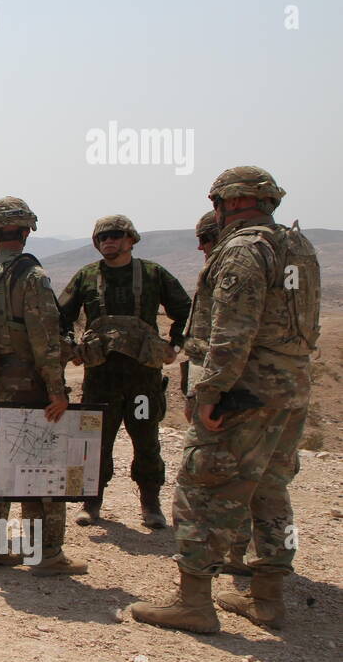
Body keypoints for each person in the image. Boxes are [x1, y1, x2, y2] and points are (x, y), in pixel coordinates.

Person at [132, 167, 319, 633]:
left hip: (244, 393)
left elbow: (232, 333)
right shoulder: (298, 246)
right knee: (270, 489)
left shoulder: (242, 250)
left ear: (227, 202)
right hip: (290, 391)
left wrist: (210, 391)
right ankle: (268, 599)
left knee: (201, 488)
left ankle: (194, 602)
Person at [0, 197, 87, 575]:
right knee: (40, 465)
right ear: (27, 231)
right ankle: (45, 555)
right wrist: (57, 391)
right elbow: (44, 340)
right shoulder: (31, 276)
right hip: (26, 384)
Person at [58, 215, 191, 528]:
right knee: (92, 440)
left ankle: (150, 503)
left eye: (116, 235)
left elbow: (186, 311)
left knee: (146, 438)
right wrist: (72, 347)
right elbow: (61, 315)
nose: (109, 241)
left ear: (131, 239)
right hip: (101, 376)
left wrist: (174, 345)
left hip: (142, 376)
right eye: (103, 237)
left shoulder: (152, 274)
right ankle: (90, 503)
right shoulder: (87, 276)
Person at [187, 210, 252, 576]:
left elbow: (227, 338)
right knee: (261, 480)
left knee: (205, 479)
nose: (202, 247)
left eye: (207, 238)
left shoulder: (237, 261)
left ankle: (196, 588)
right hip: (275, 393)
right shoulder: (289, 252)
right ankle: (262, 581)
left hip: (233, 393)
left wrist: (205, 393)